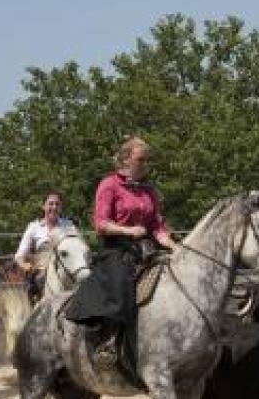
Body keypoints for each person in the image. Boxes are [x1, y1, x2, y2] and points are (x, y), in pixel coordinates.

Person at [64, 136, 176, 371]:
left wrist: (174, 246)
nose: (145, 165)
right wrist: (128, 230)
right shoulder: (109, 185)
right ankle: (108, 341)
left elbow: (157, 227)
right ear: (125, 159)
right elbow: (101, 223)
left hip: (145, 249)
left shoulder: (149, 190)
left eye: (147, 160)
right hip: (116, 250)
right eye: (140, 159)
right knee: (121, 286)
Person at [14, 191, 74, 304]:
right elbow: (19, 256)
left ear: (61, 207)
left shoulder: (69, 225)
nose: (54, 207)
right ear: (43, 206)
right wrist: (26, 265)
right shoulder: (34, 227)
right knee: (35, 288)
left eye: (57, 204)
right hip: (42, 274)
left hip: (66, 272)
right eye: (50, 204)